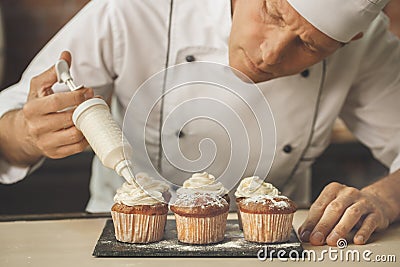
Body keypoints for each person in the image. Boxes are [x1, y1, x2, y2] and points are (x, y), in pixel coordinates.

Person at [0, 0, 399, 246]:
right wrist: (26, 133)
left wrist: (386, 197)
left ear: (353, 37)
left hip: (273, 246)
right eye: (271, 10)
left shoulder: (369, 44)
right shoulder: (132, 8)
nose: (271, 53)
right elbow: (8, 124)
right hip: (120, 237)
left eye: (309, 45)